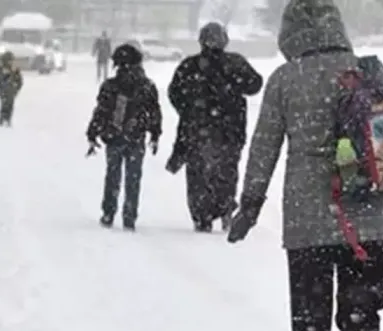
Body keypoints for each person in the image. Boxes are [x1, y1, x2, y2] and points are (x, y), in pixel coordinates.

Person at [227, 0, 383, 331]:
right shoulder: (369, 71)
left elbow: (264, 148)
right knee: (361, 313)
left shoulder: (286, 79)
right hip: (373, 220)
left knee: (311, 321)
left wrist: (250, 205)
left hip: (308, 222)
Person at [167, 22, 262, 232]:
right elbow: (255, 84)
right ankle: (225, 207)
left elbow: (174, 93)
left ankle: (202, 216)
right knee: (226, 173)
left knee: (198, 175)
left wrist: (190, 110)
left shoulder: (189, 66)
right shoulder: (235, 63)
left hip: (197, 131)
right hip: (230, 131)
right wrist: (234, 85)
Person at [86, 43, 162, 231]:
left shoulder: (111, 86)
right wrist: (155, 133)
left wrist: (93, 132)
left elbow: (101, 111)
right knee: (133, 177)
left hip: (114, 136)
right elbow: (154, 112)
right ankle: (130, 215)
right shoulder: (147, 86)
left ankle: (108, 212)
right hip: (136, 137)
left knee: (113, 175)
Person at [0, 51, 23, 127]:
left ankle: (7, 119)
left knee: (10, 105)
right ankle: (2, 119)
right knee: (4, 104)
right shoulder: (1, 68)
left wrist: (16, 89)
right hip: (4, 89)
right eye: (9, 60)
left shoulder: (14, 69)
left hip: (11, 90)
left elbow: (19, 80)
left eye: (11, 60)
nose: (10, 62)